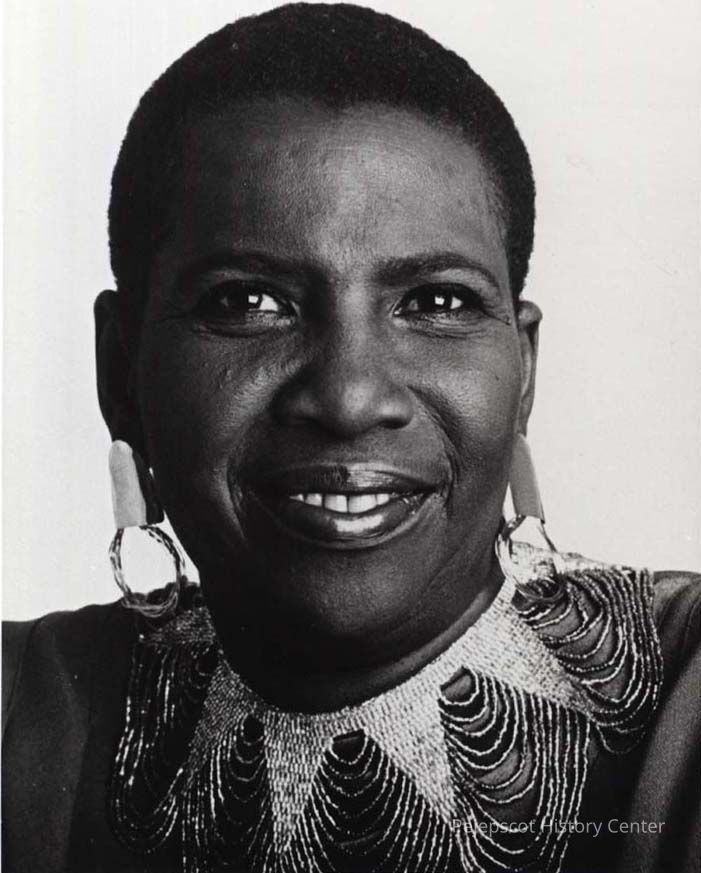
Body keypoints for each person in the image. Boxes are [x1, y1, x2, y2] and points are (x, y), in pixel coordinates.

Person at [2, 4, 699, 872]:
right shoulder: (24, 712)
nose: (348, 397)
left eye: (436, 302)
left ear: (522, 370)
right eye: (248, 301)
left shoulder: (684, 696)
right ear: (121, 371)